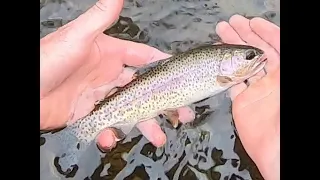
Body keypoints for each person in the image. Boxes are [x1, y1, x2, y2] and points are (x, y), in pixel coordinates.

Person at [40, 0, 279, 179]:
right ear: (226, 59)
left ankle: (72, 137)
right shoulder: (222, 76)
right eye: (249, 56)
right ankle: (76, 133)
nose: (255, 58)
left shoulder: (225, 74)